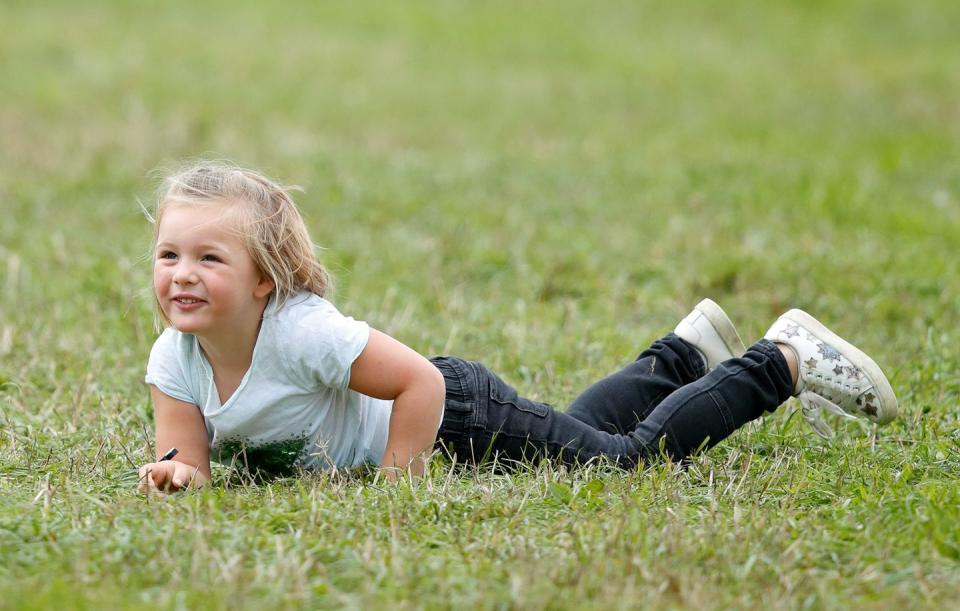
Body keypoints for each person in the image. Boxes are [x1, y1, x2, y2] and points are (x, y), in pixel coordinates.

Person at [138, 161, 898, 493]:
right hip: (444, 422)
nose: (183, 273)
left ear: (265, 279)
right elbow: (189, 455)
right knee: (574, 433)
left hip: (455, 418)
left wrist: (399, 483)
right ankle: (682, 355)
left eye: (210, 256)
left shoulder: (301, 333)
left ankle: (783, 360)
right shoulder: (176, 359)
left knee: (621, 463)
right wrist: (179, 473)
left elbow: (418, 381)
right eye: (170, 254)